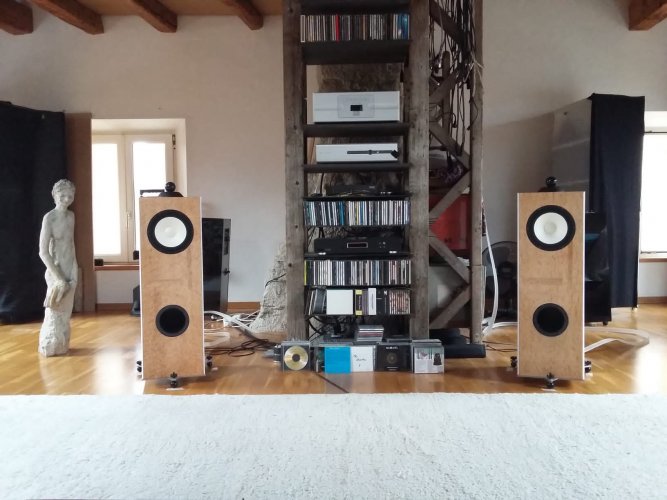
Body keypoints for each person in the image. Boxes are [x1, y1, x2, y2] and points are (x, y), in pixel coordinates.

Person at [38, 179, 77, 357]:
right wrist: (59, 278)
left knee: (65, 312)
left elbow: (71, 245)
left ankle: (61, 343)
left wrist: (74, 271)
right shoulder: (50, 218)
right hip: (56, 271)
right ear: (54, 195)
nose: (67, 199)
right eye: (63, 196)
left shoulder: (71, 216)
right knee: (55, 310)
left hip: (70, 268)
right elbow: (43, 252)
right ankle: (50, 344)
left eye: (70, 195)